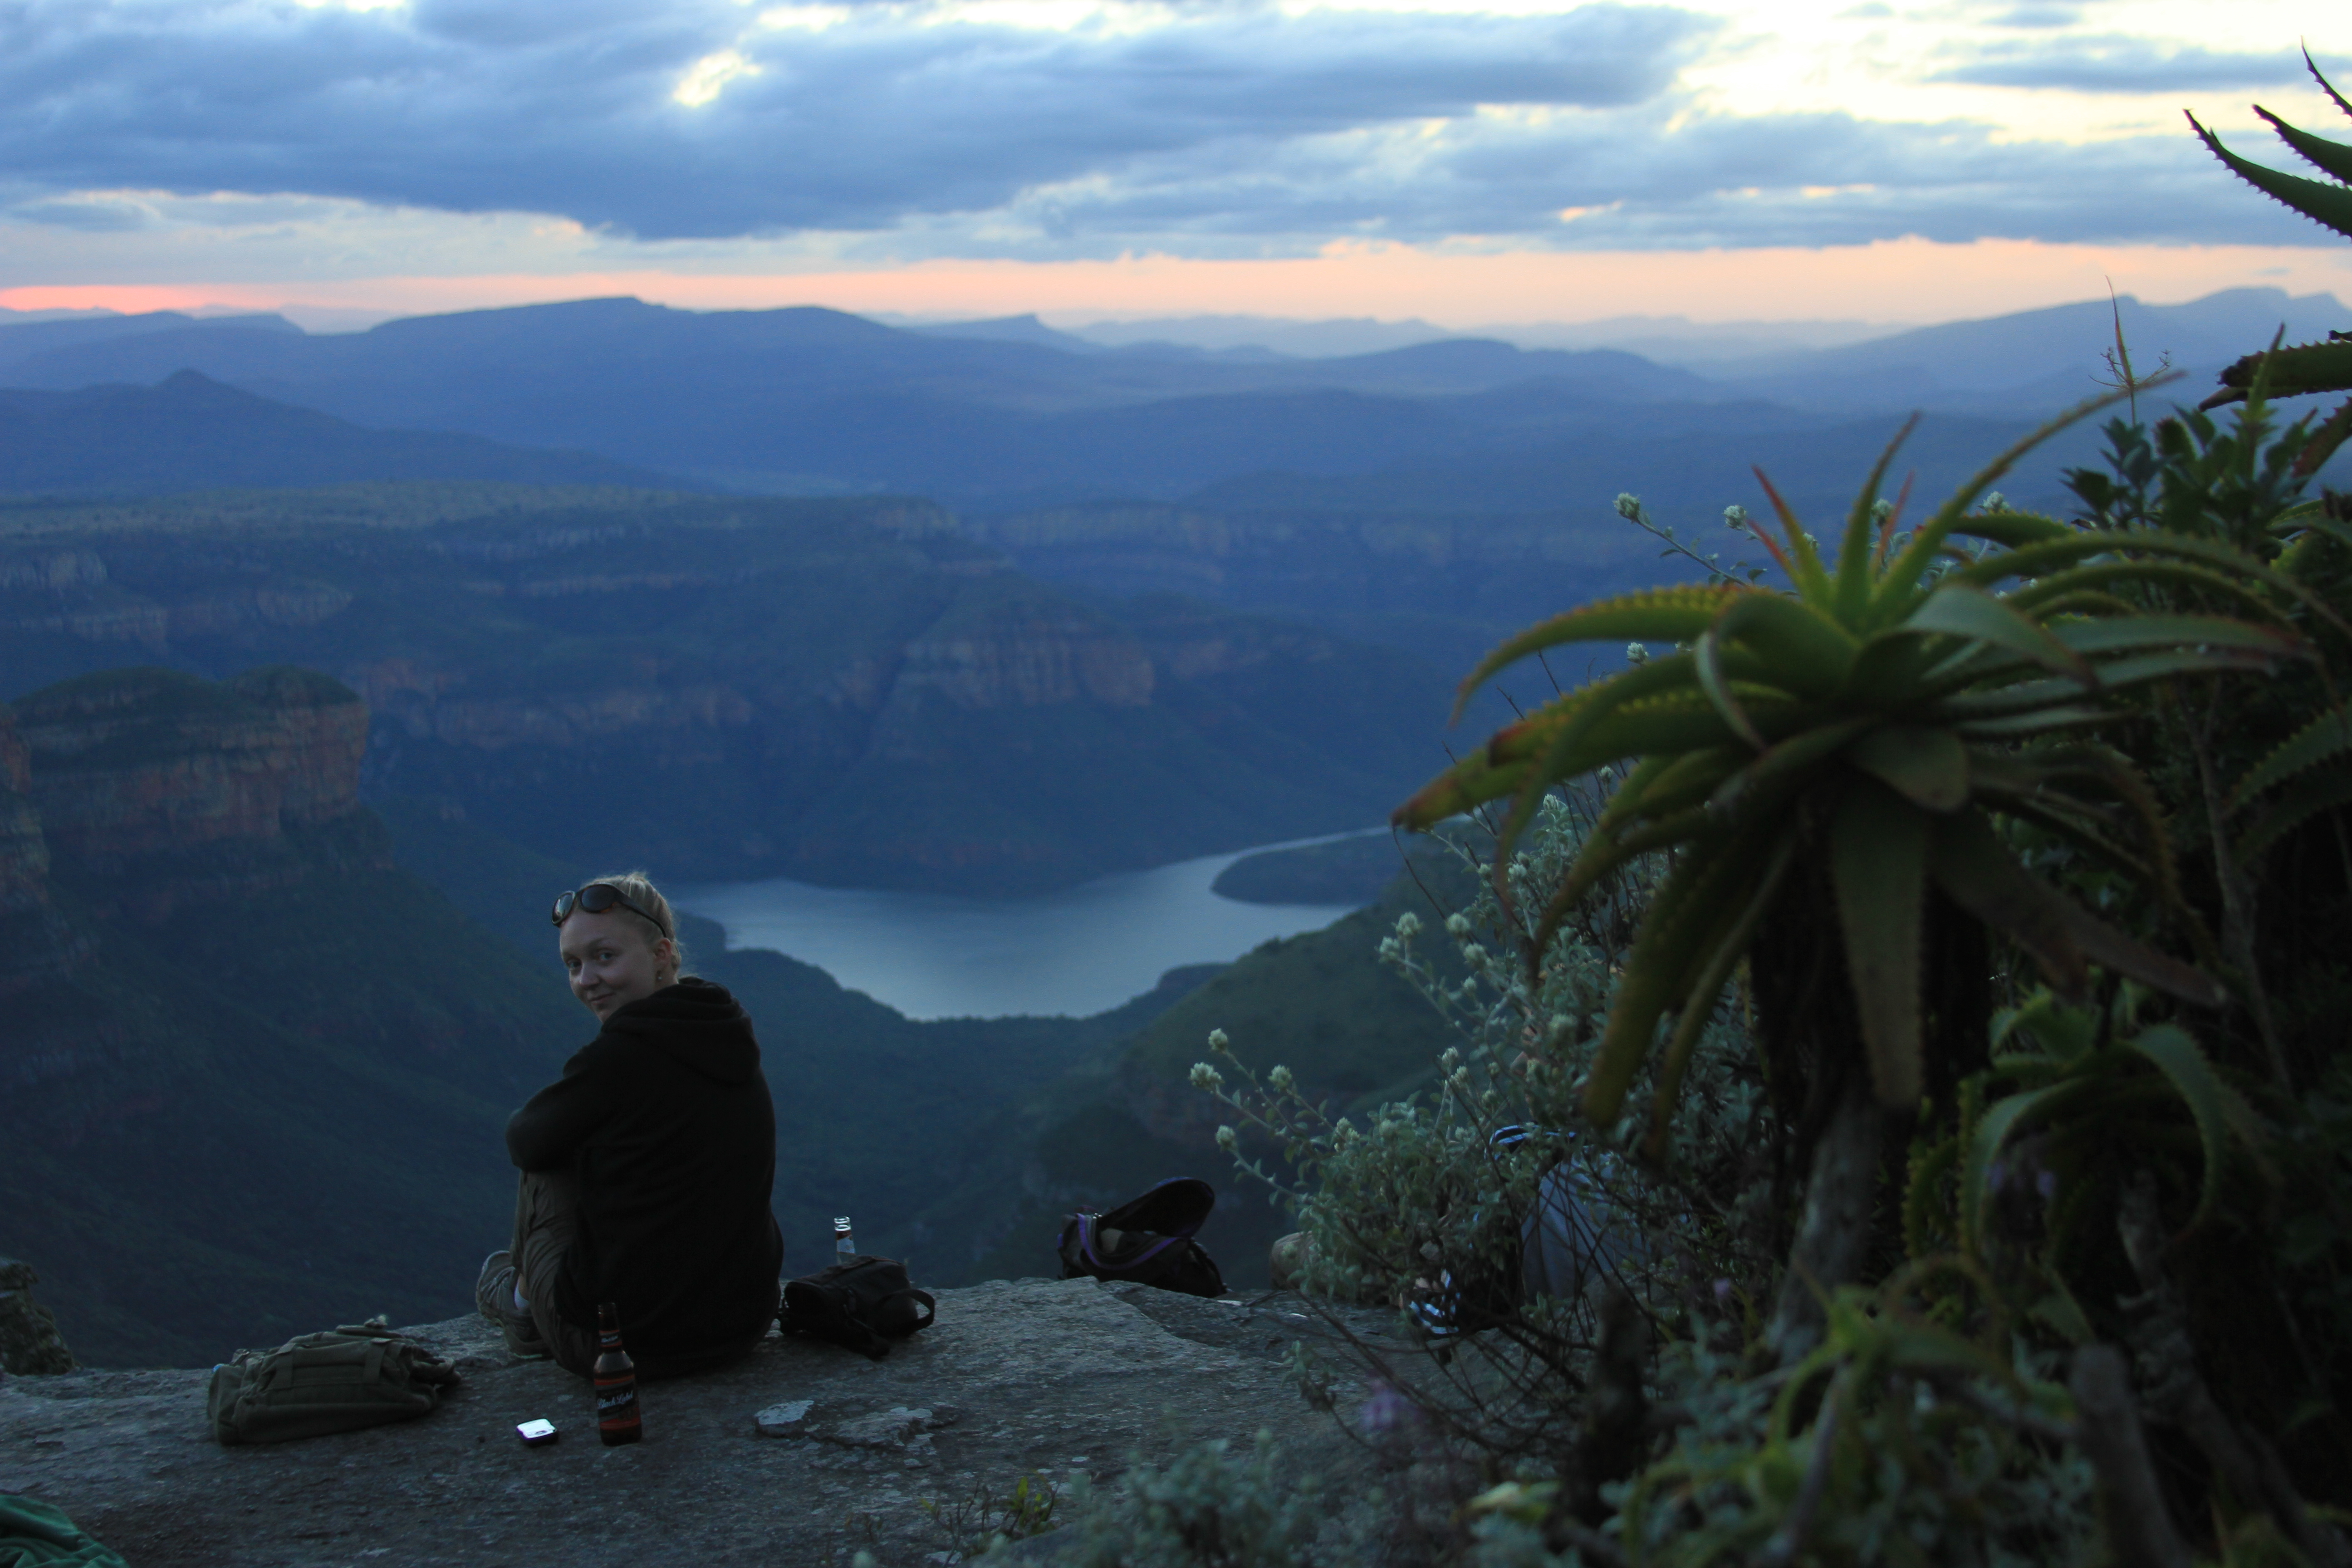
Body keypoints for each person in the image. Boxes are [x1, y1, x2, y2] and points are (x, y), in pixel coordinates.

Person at [474, 872, 783, 1377]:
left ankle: (521, 1305)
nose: (586, 980)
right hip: (740, 1329)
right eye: (573, 965)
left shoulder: (617, 1060)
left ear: (661, 954)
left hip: (623, 1349)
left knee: (545, 1153)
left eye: (604, 957)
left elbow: (524, 1139)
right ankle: (520, 1291)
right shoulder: (723, 1030)